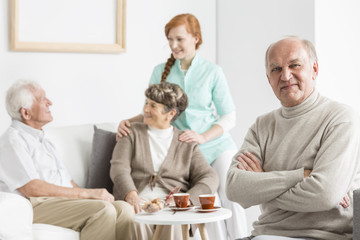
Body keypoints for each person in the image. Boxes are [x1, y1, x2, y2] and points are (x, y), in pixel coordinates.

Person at [116, 13, 247, 240]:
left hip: (216, 146)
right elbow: (150, 111)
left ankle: (240, 237)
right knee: (207, 201)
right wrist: (127, 122)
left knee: (229, 193)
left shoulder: (213, 72)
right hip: (186, 150)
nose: (173, 45)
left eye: (179, 39)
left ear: (195, 38)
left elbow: (229, 116)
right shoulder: (161, 71)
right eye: (170, 40)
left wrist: (204, 137)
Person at [226, 36, 360, 240]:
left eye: (294, 65)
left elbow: (325, 194)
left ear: (314, 69)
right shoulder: (261, 126)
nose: (285, 76)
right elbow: (235, 188)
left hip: (323, 236)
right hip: (264, 233)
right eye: (276, 69)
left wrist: (262, 182)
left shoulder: (340, 118)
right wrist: (301, 175)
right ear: (268, 78)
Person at [0, 80, 136, 240]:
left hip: (61, 202)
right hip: (36, 204)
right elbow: (32, 188)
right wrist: (86, 194)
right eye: (42, 99)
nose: (50, 102)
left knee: (124, 209)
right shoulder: (13, 141)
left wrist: (91, 195)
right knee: (103, 210)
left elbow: (69, 182)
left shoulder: (44, 141)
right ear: (26, 113)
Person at [110, 82, 219, 239]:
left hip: (171, 204)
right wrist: (131, 194)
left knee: (174, 221)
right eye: (146, 103)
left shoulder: (185, 142)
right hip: (137, 199)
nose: (145, 109)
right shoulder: (130, 132)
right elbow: (119, 168)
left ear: (171, 114)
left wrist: (187, 201)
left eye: (153, 106)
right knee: (135, 219)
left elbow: (210, 176)